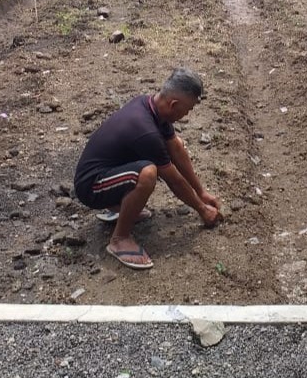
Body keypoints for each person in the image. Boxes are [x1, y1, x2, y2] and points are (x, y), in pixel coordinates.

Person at [73, 68, 222, 270]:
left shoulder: (152, 107)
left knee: (174, 143)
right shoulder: (145, 129)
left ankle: (123, 208)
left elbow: (176, 149)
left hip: (110, 174)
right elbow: (173, 180)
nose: (187, 115)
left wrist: (201, 192)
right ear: (174, 104)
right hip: (92, 186)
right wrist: (203, 210)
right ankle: (120, 239)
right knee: (147, 173)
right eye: (188, 110)